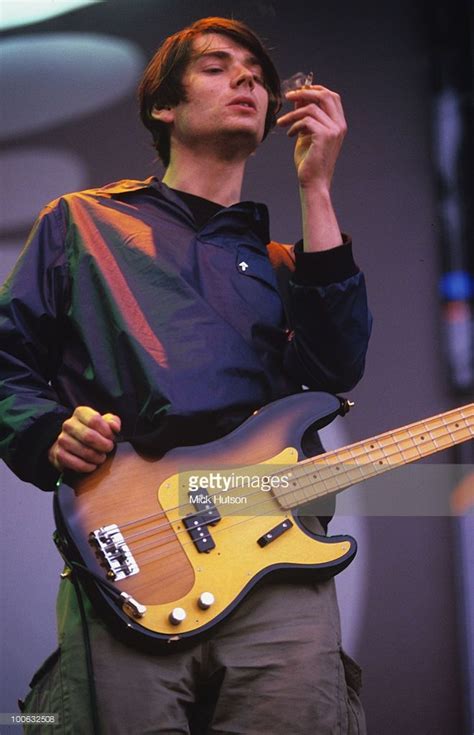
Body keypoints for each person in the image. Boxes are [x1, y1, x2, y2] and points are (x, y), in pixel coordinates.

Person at [0, 16, 371, 735]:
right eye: (217, 66)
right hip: (133, 554)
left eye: (257, 75)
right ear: (164, 106)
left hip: (277, 557)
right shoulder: (79, 223)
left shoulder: (285, 263)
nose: (247, 80)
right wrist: (47, 431)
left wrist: (317, 188)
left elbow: (335, 368)